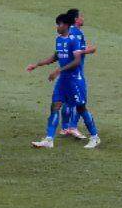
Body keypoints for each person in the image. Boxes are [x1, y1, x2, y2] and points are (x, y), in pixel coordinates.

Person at [28, 10, 100, 150]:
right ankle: (49, 139)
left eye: (59, 24)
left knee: (81, 108)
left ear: (66, 25)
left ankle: (95, 137)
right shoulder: (59, 39)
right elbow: (55, 57)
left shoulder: (73, 40)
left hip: (75, 80)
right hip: (63, 81)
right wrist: (37, 64)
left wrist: (58, 70)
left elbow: (77, 61)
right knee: (55, 106)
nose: (57, 27)